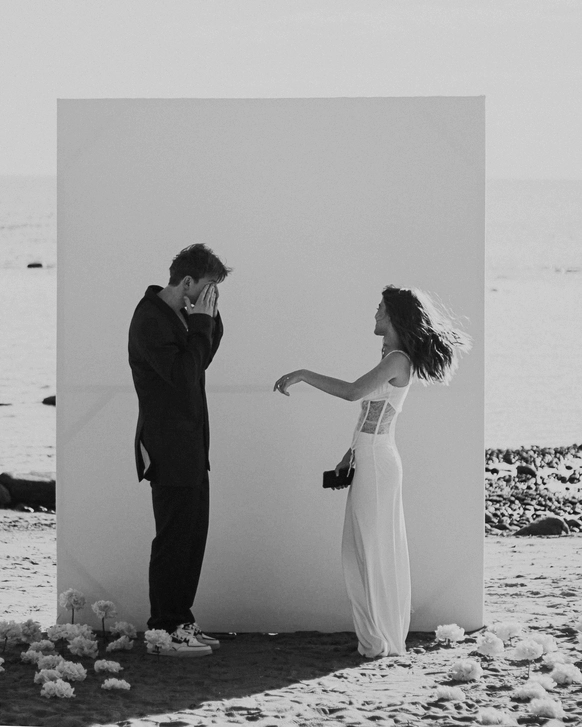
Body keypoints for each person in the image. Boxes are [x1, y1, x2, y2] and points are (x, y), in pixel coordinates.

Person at [274, 285, 471, 658]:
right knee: (360, 550)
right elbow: (372, 414)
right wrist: (350, 453)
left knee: (373, 550)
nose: (375, 314)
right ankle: (377, 638)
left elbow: (353, 393)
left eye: (380, 308)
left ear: (394, 316)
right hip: (371, 458)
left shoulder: (396, 359)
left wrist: (302, 373)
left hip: (379, 462)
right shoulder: (392, 357)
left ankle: (382, 640)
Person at [128, 243, 231, 657]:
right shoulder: (150, 320)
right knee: (172, 539)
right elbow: (184, 376)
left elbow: (201, 359)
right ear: (187, 282)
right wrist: (201, 323)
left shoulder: (181, 316)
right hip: (167, 446)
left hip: (191, 444)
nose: (211, 296)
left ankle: (181, 621)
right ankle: (163, 629)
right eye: (208, 288)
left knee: (192, 537)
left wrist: (209, 319)